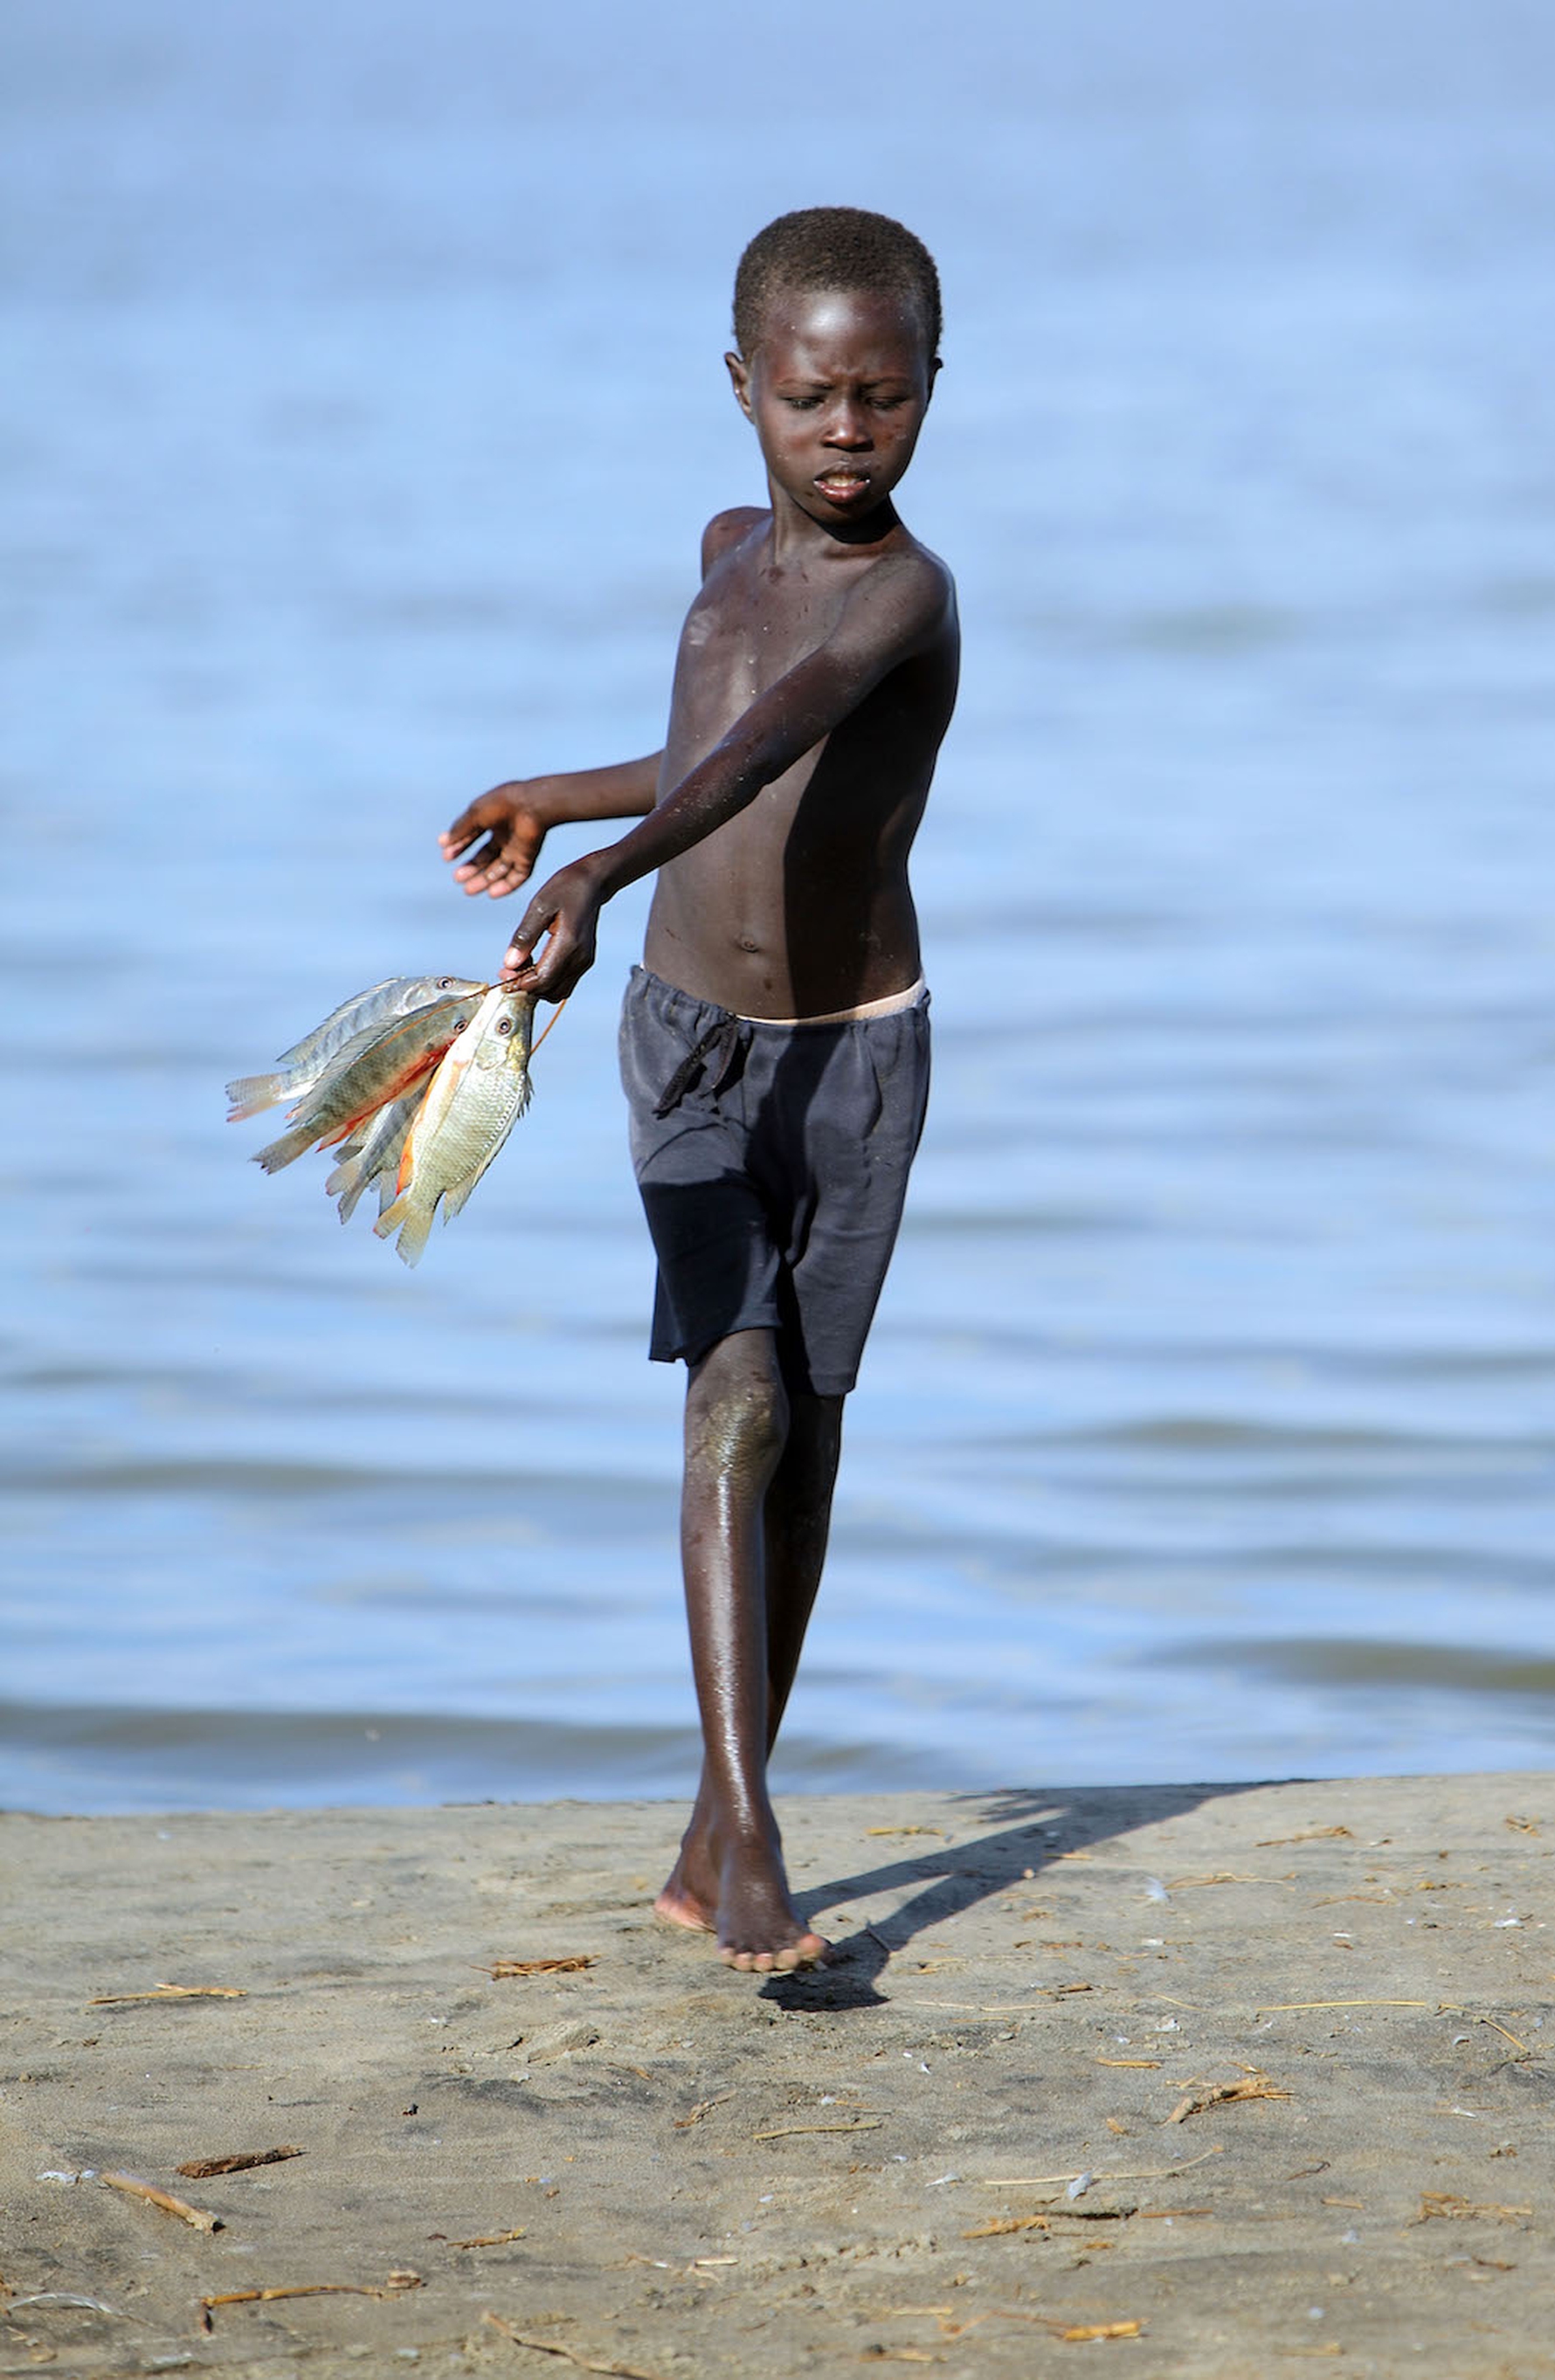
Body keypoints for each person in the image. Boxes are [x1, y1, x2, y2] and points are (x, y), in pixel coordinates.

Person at [439, 207, 958, 1972]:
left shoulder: (907, 598)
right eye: (812, 398)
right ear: (744, 386)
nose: (847, 433)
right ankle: (753, 1845)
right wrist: (565, 805)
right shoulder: (729, 550)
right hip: (686, 1043)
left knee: (803, 1433)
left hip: (855, 1056)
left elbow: (768, 744)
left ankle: (708, 1837)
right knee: (733, 1398)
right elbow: (698, 752)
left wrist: (602, 866)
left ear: (934, 388)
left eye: (885, 397)